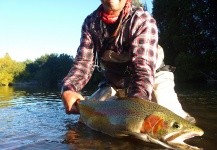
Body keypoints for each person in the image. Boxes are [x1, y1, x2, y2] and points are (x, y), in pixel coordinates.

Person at [61, 0, 195, 123]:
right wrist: (68, 89)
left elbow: (143, 71)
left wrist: (135, 110)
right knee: (86, 120)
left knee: (171, 122)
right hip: (115, 83)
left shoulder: (142, 20)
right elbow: (83, 63)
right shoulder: (90, 23)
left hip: (153, 78)